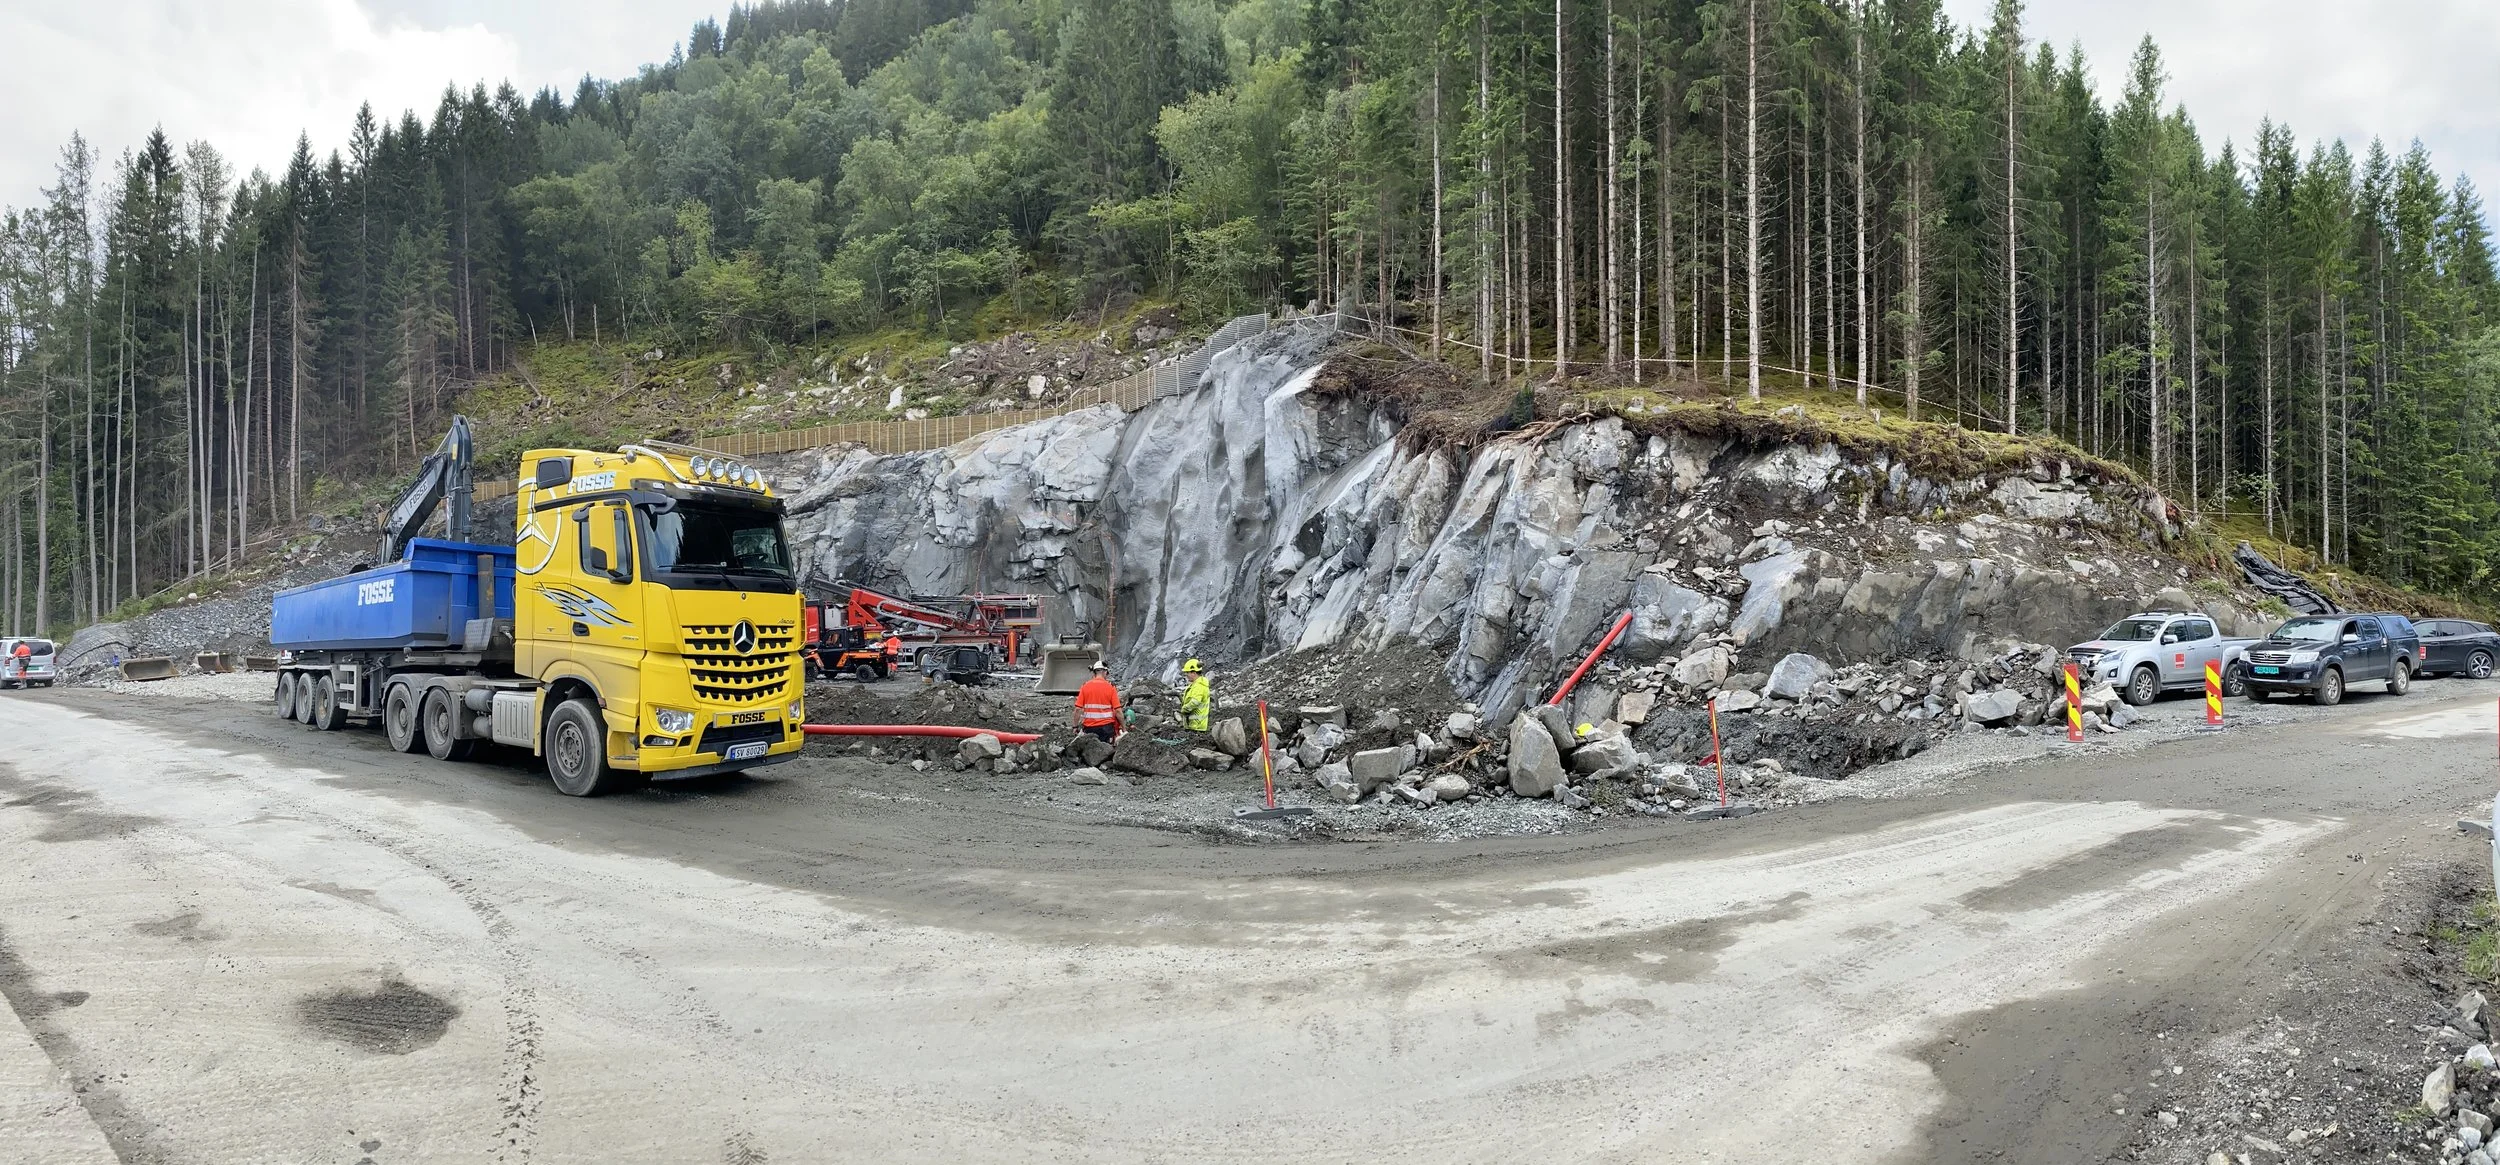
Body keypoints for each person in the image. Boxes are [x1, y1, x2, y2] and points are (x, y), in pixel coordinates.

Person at [1074, 662, 1124, 743]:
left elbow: (1077, 709)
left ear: (1094, 672)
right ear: (1105, 672)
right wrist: (1124, 729)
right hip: (1106, 729)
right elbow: (1118, 711)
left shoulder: (1085, 686)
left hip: (1089, 729)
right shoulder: (1110, 687)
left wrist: (1075, 727)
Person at [1178, 658, 1212, 732]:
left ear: (1193, 673)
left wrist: (1184, 709)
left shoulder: (1199, 686)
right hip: (1194, 725)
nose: (1186, 675)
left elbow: (1195, 702)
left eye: (1187, 672)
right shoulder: (1196, 684)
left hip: (1196, 726)